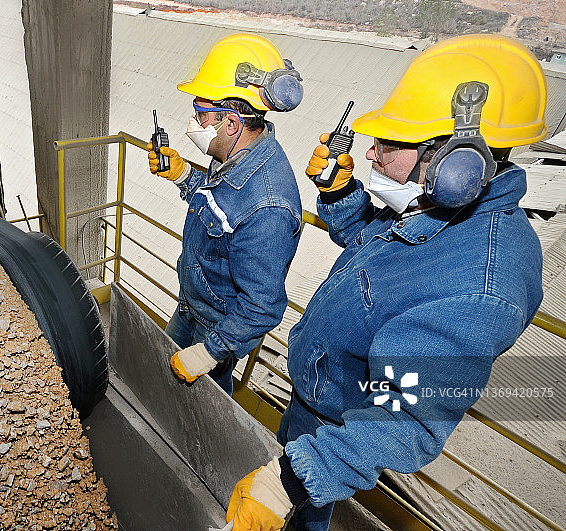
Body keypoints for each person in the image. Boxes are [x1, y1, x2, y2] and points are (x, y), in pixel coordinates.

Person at [225, 34, 547, 531]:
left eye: (388, 143)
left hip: (342, 430)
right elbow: (369, 249)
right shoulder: (434, 206)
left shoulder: (482, 284)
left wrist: (292, 480)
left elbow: (406, 415)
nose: (371, 154)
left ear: (455, 161)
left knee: (302, 518)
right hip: (315, 399)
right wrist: (340, 192)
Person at [146, 33, 305, 395]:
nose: (193, 122)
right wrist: (185, 175)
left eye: (201, 115)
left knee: (206, 410)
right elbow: (222, 209)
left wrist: (209, 354)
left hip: (216, 328)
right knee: (167, 383)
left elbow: (262, 306)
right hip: (192, 305)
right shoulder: (238, 154)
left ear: (231, 123)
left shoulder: (268, 208)